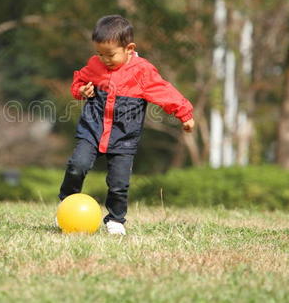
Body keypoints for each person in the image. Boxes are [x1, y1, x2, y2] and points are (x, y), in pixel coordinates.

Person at [58, 15, 195, 235]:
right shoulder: (95, 65)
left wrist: (184, 114)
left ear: (129, 48)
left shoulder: (142, 71)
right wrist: (81, 90)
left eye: (110, 54)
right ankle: (66, 204)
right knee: (77, 165)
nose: (104, 59)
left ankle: (115, 219)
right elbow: (80, 81)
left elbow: (164, 91)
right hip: (92, 131)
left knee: (119, 182)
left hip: (123, 137)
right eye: (99, 54)